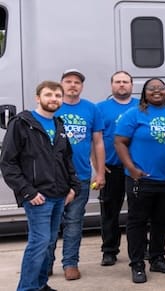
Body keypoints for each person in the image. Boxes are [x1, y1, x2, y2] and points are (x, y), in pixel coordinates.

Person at [1, 81, 79, 291]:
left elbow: (66, 159)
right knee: (39, 243)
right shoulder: (22, 123)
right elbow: (8, 162)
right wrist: (27, 191)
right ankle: (26, 288)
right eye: (49, 94)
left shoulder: (59, 124)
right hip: (38, 197)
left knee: (48, 243)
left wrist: (73, 187)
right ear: (38, 98)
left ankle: (40, 284)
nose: (53, 99)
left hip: (59, 195)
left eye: (57, 95)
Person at [114, 77, 165, 283]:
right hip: (141, 180)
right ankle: (137, 263)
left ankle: (157, 258)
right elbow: (120, 142)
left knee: (161, 221)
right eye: (152, 88)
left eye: (161, 88)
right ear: (144, 93)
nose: (157, 91)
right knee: (137, 222)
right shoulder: (134, 114)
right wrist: (132, 169)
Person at [46, 69, 105, 281]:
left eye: (77, 82)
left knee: (74, 223)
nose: (73, 85)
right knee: (50, 223)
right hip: (52, 178)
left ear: (81, 86)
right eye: (68, 81)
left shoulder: (91, 109)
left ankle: (70, 263)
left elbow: (97, 142)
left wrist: (100, 172)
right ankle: (46, 263)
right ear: (61, 84)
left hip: (80, 176)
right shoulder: (51, 107)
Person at [97, 71, 140, 267]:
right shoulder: (100, 108)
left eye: (125, 82)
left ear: (132, 85)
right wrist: (98, 165)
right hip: (110, 168)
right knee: (109, 211)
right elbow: (94, 139)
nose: (121, 85)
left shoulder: (141, 107)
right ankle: (109, 250)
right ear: (111, 85)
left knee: (138, 211)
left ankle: (141, 248)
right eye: (117, 82)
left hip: (135, 168)